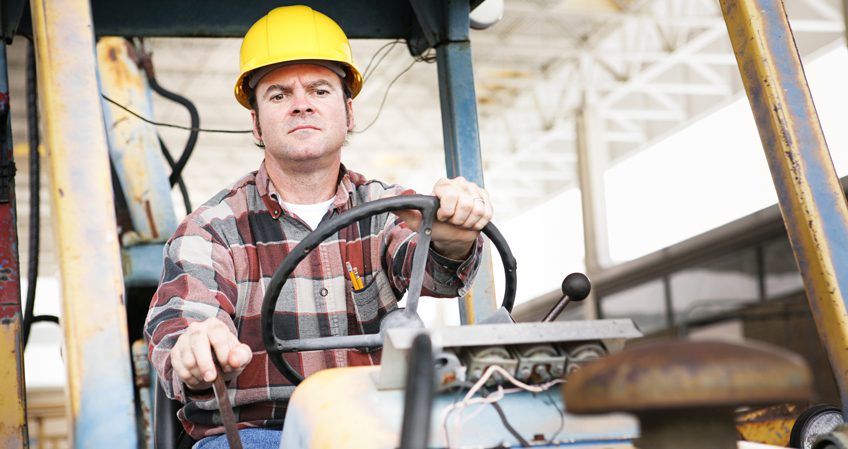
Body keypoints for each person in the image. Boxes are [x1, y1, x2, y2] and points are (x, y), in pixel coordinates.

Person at [144, 5, 493, 449]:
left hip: (376, 423)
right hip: (261, 433)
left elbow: (429, 266)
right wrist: (197, 341)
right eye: (278, 95)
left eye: (320, 90)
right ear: (256, 123)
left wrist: (452, 239)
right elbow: (183, 319)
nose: (301, 103)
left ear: (349, 114)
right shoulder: (211, 229)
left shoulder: (390, 209)